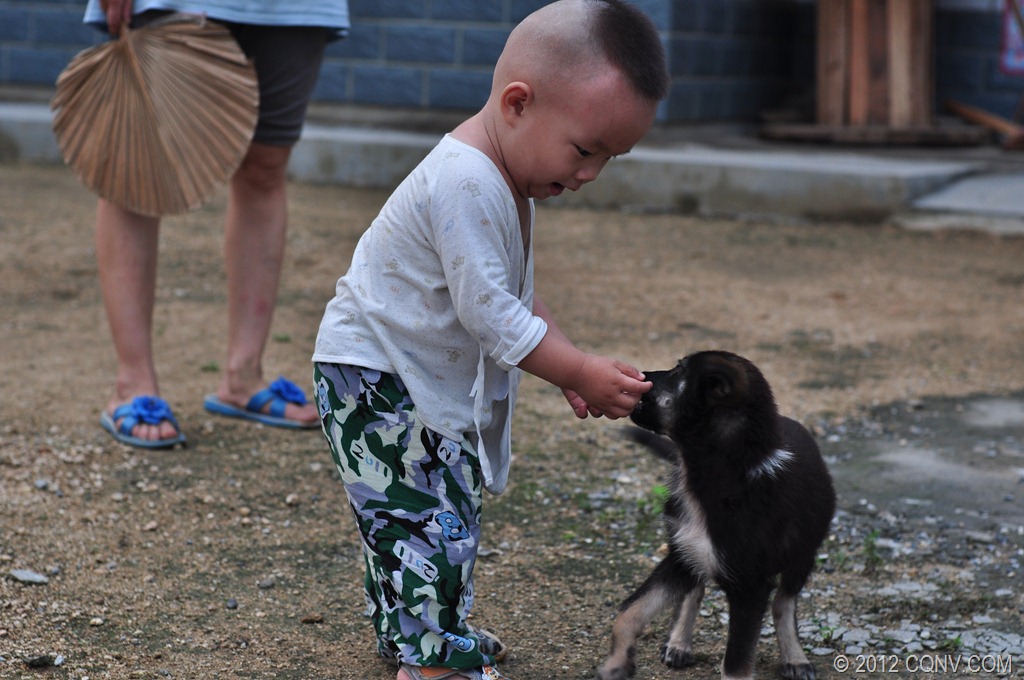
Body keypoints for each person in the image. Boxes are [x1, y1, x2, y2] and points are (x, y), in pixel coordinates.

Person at [311, 1, 668, 678]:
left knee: (432, 512)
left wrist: (565, 366)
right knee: (426, 521)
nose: (591, 173)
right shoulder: (469, 180)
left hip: (398, 372)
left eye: (609, 158)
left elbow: (515, 297)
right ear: (517, 104)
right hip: (377, 377)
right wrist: (580, 366)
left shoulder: (508, 179)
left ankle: (419, 635)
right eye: (585, 148)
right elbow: (491, 316)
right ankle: (432, 659)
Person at [86, 0, 349, 449]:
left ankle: (243, 376)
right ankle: (133, 382)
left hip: (296, 9)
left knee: (265, 167)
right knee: (138, 164)